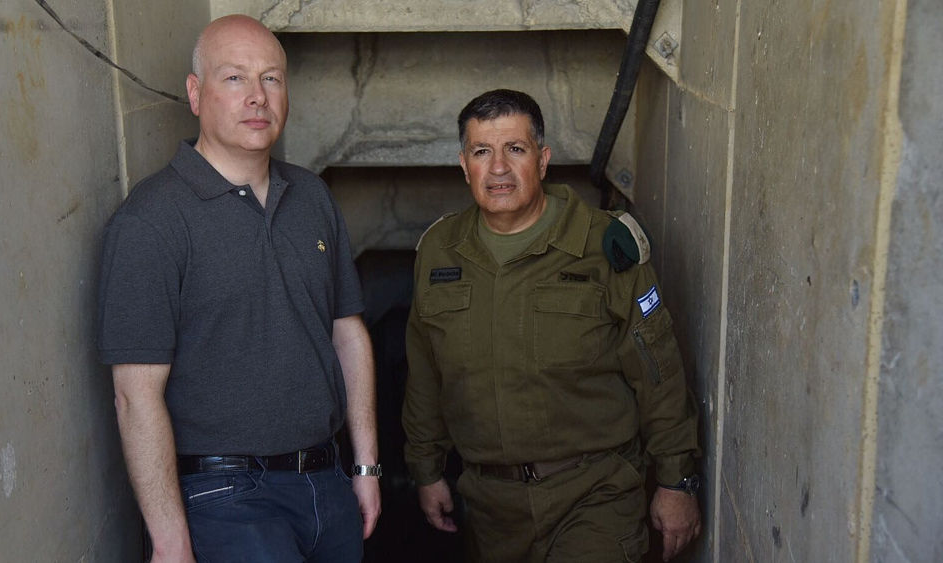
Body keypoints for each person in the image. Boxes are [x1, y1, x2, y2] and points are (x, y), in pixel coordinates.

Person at [97, 15, 380, 562]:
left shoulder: (313, 197)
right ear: (196, 93)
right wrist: (170, 539)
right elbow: (135, 396)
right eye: (235, 79)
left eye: (271, 79)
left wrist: (366, 466)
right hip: (224, 499)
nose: (257, 97)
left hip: (327, 483)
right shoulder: (151, 221)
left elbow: (347, 331)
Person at [402, 89, 701, 562]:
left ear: (542, 161)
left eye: (515, 149)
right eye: (483, 152)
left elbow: (657, 370)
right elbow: (425, 375)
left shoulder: (605, 245)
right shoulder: (440, 250)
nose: (498, 168)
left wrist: (676, 480)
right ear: (465, 165)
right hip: (490, 507)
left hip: (594, 494)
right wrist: (426, 470)